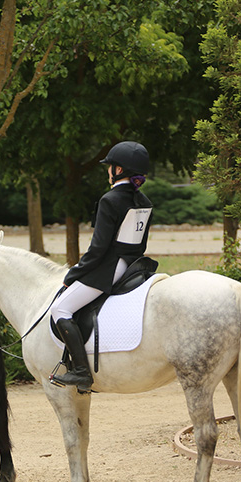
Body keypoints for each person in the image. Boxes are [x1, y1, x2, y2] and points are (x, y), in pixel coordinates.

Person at [49, 141, 153, 392]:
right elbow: (140, 244)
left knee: (60, 309)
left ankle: (82, 372)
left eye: (109, 167)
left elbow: (98, 250)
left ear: (118, 171)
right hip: (134, 267)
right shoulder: (145, 200)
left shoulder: (110, 200)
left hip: (109, 269)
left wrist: (73, 274)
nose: (107, 171)